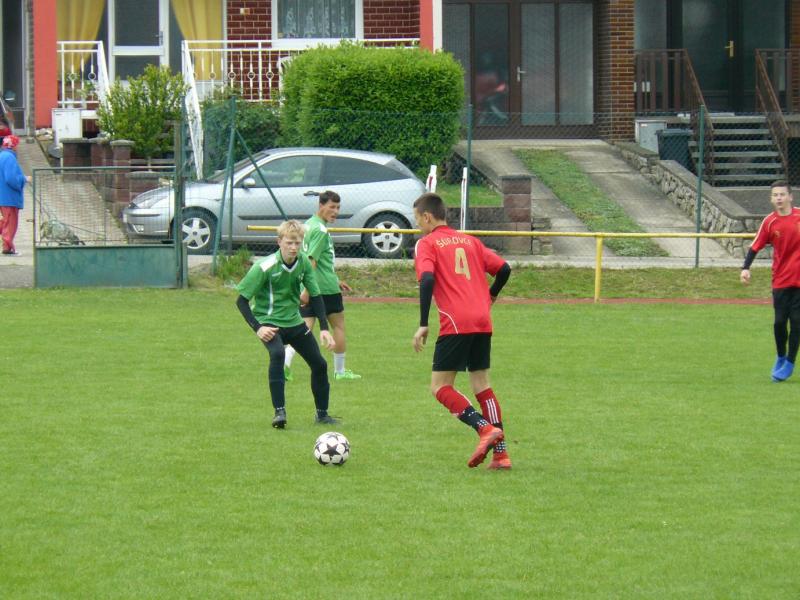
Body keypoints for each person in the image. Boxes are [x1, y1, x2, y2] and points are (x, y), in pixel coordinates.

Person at [411, 192, 512, 469]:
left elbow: (427, 279)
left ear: (427, 217)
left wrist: (423, 323)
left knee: (440, 386)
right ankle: (501, 455)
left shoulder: (427, 243)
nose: (417, 225)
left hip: (455, 321)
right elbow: (504, 269)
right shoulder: (470, 241)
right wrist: (491, 296)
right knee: (482, 385)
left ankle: (484, 429)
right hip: (482, 319)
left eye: (417, 219)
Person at [236, 219, 339, 428]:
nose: (293, 247)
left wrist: (324, 329)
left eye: (297, 243)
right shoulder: (264, 267)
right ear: (279, 242)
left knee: (320, 364)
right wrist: (258, 327)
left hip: (294, 321)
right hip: (269, 322)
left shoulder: (303, 262)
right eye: (289, 242)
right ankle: (279, 413)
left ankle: (322, 415)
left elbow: (316, 296)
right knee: (277, 354)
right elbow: (241, 301)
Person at [283, 190, 362, 381]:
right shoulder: (320, 230)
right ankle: (340, 371)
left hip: (317, 284)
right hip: (324, 289)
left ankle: (284, 365)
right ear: (321, 206)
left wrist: (335, 280)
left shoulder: (308, 225)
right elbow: (311, 261)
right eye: (332, 207)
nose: (335, 212)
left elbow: (310, 260)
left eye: (338, 208)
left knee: (303, 329)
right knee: (339, 327)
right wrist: (307, 290)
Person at [741, 180, 800, 382]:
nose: (779, 198)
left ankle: (790, 363)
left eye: (782, 194)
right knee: (779, 323)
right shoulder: (769, 222)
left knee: (797, 323)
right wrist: (745, 268)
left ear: (790, 196)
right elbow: (755, 246)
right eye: (775, 195)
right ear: (771, 199)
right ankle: (781, 356)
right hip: (781, 281)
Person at [0, 135, 30, 256]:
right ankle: (7, 248)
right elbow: (11, 178)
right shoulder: (9, 158)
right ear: (13, 146)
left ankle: (7, 246)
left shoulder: (2, 156)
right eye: (17, 145)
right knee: (10, 223)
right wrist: (24, 179)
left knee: (5, 221)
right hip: (9, 197)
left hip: (3, 196)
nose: (18, 148)